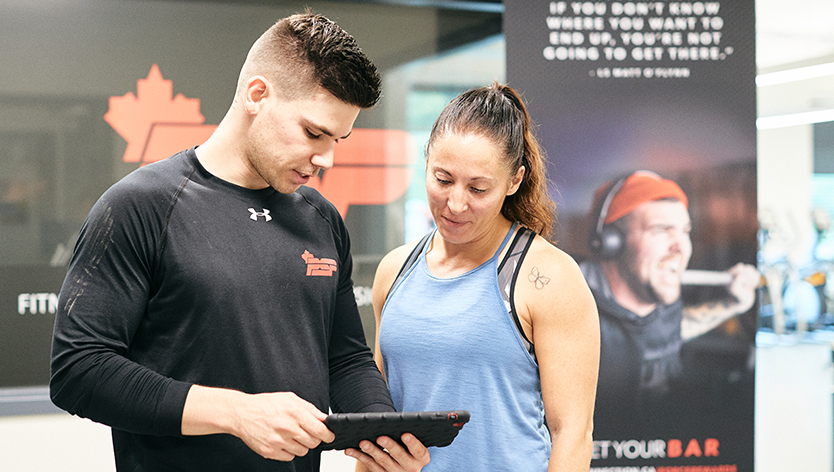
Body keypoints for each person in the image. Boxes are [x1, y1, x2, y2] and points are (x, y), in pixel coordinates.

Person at [49, 12, 428, 472]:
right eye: (313, 133)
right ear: (257, 95)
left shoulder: (321, 219)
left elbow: (344, 358)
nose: (326, 158)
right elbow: (79, 370)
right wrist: (237, 414)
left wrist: (382, 432)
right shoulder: (140, 206)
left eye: (338, 139)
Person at [355, 83, 600, 472]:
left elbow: (572, 434)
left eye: (478, 188)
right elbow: (381, 430)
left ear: (514, 181)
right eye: (443, 179)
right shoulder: (395, 270)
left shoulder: (548, 277)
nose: (455, 204)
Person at [579, 170, 760, 432]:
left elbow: (670, 328)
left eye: (685, 231)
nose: (681, 247)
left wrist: (733, 304)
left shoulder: (658, 298)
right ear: (610, 242)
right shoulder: (565, 303)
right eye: (661, 231)